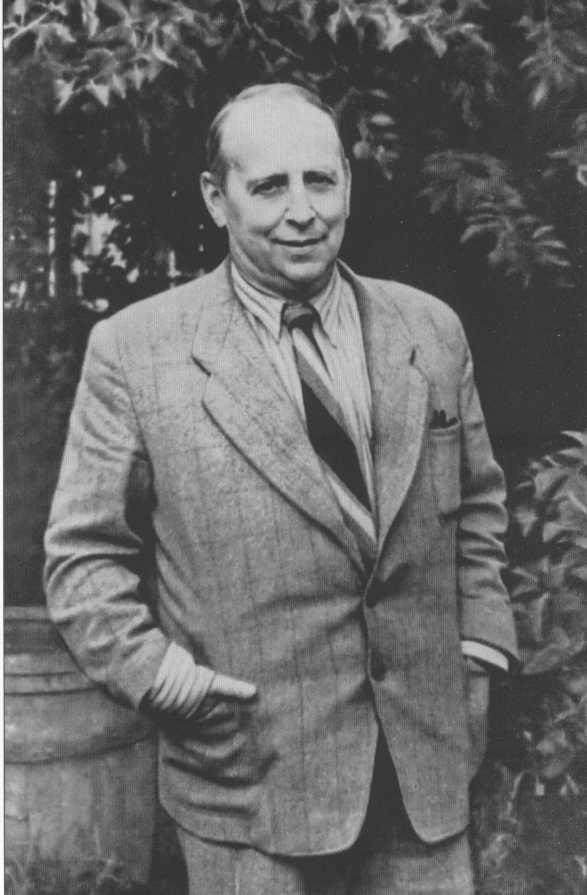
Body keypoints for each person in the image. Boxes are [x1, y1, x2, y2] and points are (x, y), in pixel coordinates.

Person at [45, 82, 519, 895]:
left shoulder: (428, 329)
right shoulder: (137, 350)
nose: (302, 211)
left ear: (347, 185)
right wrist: (162, 677)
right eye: (268, 186)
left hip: (422, 772)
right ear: (215, 197)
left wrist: (477, 648)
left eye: (319, 181)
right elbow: (81, 556)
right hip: (246, 775)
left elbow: (475, 503)